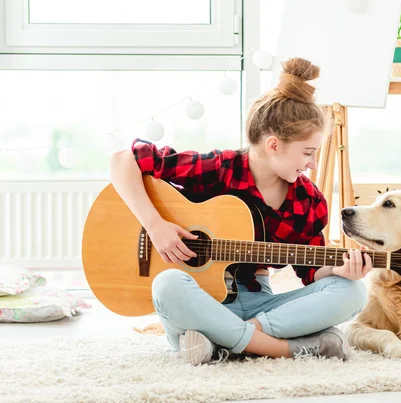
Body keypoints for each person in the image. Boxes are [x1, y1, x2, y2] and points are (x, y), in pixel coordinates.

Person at [109, 57, 371, 366]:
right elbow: (123, 160)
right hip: (201, 301)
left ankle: (224, 342)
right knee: (167, 285)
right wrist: (155, 226)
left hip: (262, 306)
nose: (312, 164)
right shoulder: (219, 168)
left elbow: (311, 271)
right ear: (273, 145)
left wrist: (338, 270)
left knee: (352, 292)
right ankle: (282, 348)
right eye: (308, 152)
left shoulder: (308, 200)